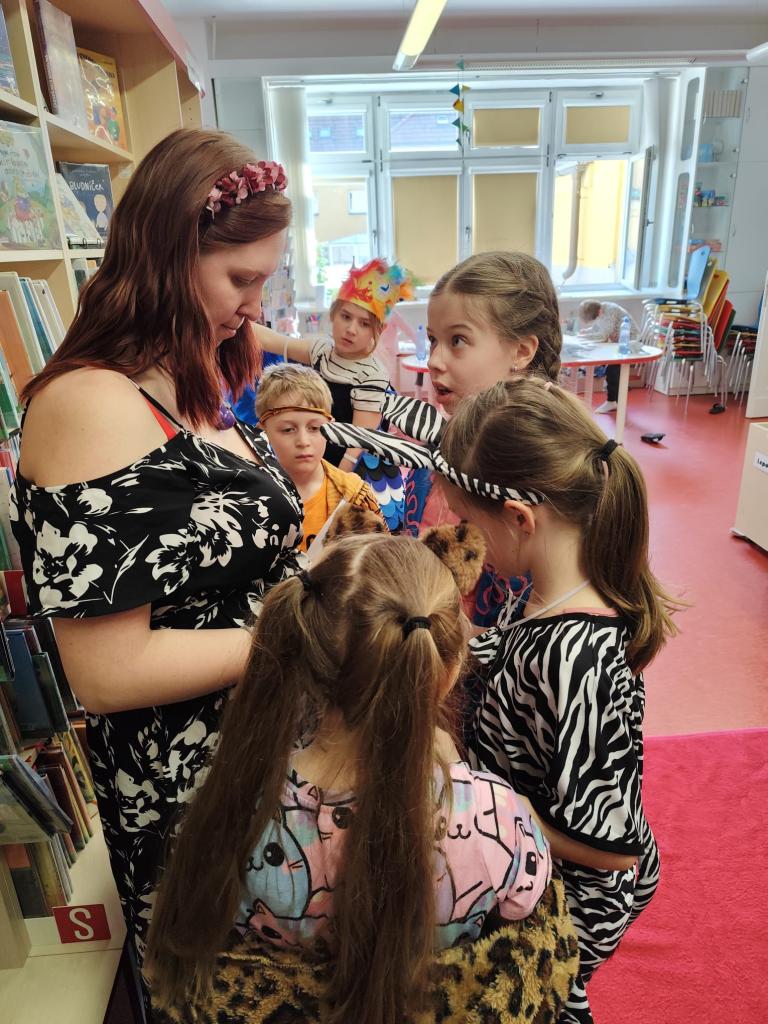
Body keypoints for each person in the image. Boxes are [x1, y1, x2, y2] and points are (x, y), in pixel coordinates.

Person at [9, 129, 303, 963]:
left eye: (265, 281)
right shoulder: (90, 406)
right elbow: (107, 674)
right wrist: (304, 632)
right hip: (195, 798)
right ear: (170, 259)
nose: (255, 306)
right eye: (240, 280)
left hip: (265, 763)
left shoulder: (185, 374)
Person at [144, 533, 552, 1022]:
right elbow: (522, 910)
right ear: (445, 673)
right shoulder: (496, 820)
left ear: (306, 657)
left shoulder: (238, 806)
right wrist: (457, 775)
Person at [436, 377, 682, 1024]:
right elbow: (510, 660)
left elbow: (612, 847)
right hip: (524, 861)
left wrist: (474, 804)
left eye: (466, 522)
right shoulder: (546, 591)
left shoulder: (577, 657)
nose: (461, 536)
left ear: (520, 518)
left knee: (543, 1006)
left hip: (563, 901)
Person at [407, 251, 563, 628]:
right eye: (432, 340)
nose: (434, 360)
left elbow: (546, 625)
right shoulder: (437, 448)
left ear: (521, 351)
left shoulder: (548, 476)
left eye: (457, 340)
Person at [254, 258, 414, 468]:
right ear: (333, 314)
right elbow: (276, 341)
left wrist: (335, 482)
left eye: (364, 324)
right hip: (313, 454)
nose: (351, 329)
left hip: (346, 467)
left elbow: (357, 446)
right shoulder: (322, 352)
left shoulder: (372, 375)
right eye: (346, 316)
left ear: (378, 331)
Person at [256, 363, 386, 552]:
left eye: (315, 428)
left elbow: (383, 559)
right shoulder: (247, 497)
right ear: (263, 431)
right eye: (288, 429)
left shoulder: (354, 496)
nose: (303, 441)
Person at [577, 299, 640, 414]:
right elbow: (598, 328)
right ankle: (613, 401)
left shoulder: (611, 311)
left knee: (612, 370)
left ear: (599, 312)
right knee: (611, 369)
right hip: (618, 342)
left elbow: (603, 335)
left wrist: (582, 337)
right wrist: (585, 332)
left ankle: (612, 401)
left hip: (629, 342)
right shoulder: (602, 310)